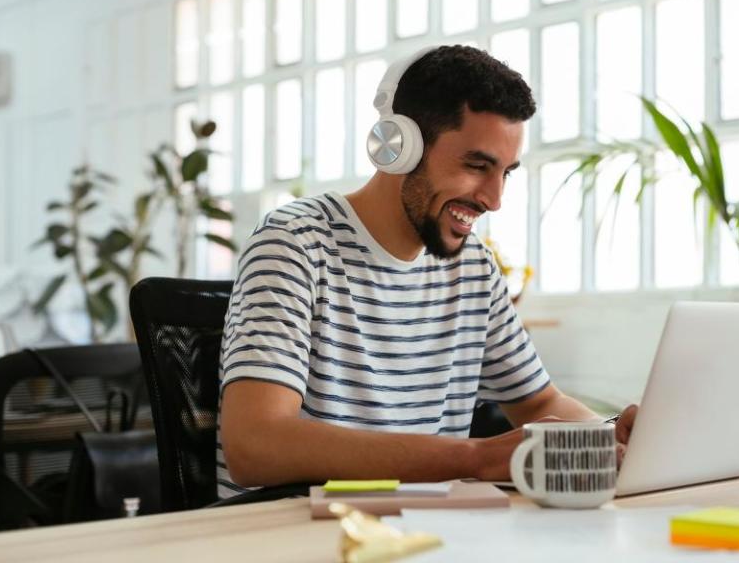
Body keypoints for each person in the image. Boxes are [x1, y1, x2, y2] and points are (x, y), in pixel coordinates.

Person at [217, 45, 637, 498]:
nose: (494, 199)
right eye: (476, 165)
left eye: (506, 173)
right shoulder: (296, 243)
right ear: (397, 147)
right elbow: (254, 445)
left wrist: (609, 437)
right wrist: (477, 459)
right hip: (297, 531)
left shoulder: (472, 266)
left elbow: (539, 402)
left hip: (429, 527)